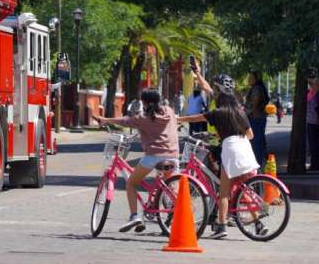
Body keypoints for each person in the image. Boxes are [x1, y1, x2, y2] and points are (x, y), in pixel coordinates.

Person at [178, 71, 263, 240]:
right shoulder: (240, 112)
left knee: (224, 192)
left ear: (219, 96)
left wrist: (178, 119)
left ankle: (222, 226)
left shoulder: (217, 112)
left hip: (230, 150)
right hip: (245, 149)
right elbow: (251, 135)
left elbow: (196, 118)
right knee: (244, 188)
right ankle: (259, 224)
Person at [94, 88, 180, 233]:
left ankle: (134, 216)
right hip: (173, 156)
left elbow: (125, 121)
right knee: (172, 189)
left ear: (144, 102)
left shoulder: (143, 118)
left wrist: (106, 120)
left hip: (153, 156)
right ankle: (179, 214)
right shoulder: (169, 111)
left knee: (131, 183)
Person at [245, 71, 269, 167]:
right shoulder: (257, 88)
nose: (249, 80)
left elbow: (254, 103)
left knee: (256, 143)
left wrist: (248, 112)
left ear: (256, 79)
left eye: (251, 78)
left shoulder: (257, 89)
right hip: (258, 118)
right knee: (259, 142)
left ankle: (257, 164)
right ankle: (261, 163)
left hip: (256, 118)